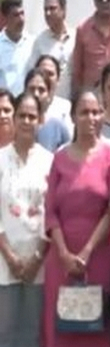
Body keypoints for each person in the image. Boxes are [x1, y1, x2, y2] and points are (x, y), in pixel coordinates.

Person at [43, 89, 110, 347]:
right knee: (61, 328)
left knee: (94, 329)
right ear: (74, 117)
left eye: (97, 111)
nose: (92, 117)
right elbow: (51, 210)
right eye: (85, 112)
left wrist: (87, 251)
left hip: (98, 256)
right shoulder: (60, 158)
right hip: (62, 258)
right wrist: (65, 254)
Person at [0, 93, 52, 347]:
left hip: (38, 263)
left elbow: (51, 212)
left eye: (33, 116)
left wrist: (37, 258)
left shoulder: (49, 161)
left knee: (32, 334)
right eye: (22, 115)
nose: (27, 121)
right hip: (3, 262)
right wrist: (9, 256)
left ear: (40, 120)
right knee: (5, 333)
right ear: (14, 117)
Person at [28, 0, 74, 99]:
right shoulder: (40, 42)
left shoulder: (76, 38)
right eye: (45, 10)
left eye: (52, 8)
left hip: (72, 103)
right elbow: (32, 74)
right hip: (48, 103)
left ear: (63, 10)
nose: (48, 13)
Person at [23, 68, 71, 152]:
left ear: (49, 96)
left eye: (41, 90)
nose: (36, 94)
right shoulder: (15, 124)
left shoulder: (58, 126)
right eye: (32, 89)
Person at [0, 0, 34, 95]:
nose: (21, 19)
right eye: (15, 15)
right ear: (5, 18)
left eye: (22, 13)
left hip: (27, 103)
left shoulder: (33, 43)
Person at [35, 54, 73, 134]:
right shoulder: (23, 104)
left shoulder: (65, 107)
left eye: (50, 74)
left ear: (58, 79)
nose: (46, 77)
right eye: (42, 72)